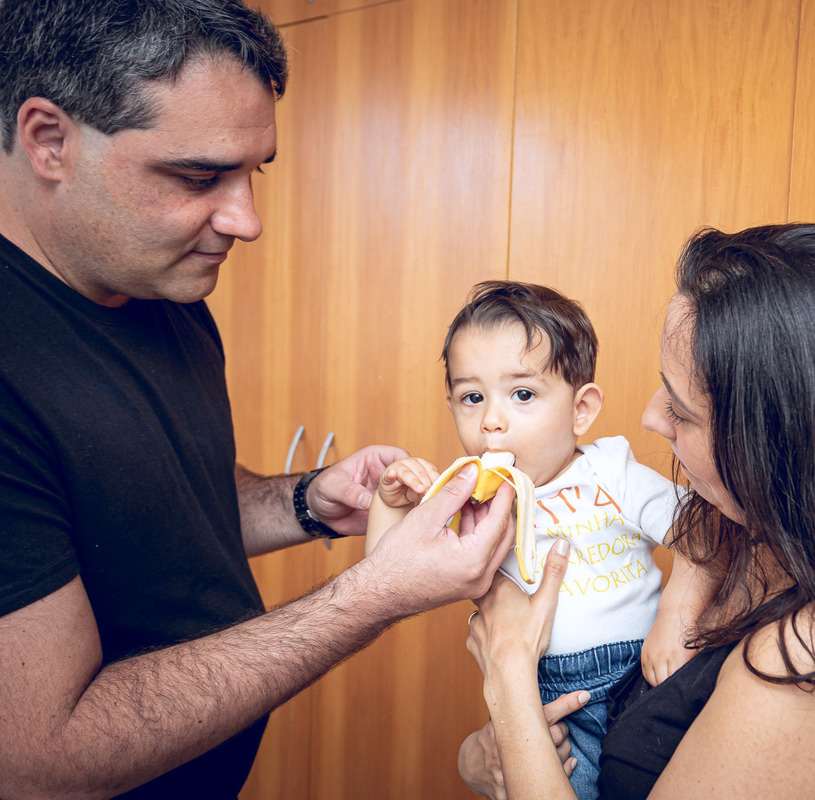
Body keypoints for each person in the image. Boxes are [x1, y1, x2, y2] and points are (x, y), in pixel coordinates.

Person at [0, 2, 516, 798]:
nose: (246, 221)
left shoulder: (166, 292)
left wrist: (308, 501)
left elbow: (154, 503)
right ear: (48, 140)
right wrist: (374, 595)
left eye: (254, 172)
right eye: (201, 176)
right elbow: (43, 758)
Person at [459, 224, 815, 799]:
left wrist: (509, 675)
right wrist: (483, 758)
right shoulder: (747, 543)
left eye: (680, 410)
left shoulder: (804, 665)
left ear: (775, 450)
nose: (652, 418)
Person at [367, 281, 717, 800]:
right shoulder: (470, 498)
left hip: (641, 672)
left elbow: (705, 525)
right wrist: (391, 502)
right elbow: (386, 578)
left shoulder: (611, 471)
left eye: (523, 394)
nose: (491, 420)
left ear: (581, 410)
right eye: (471, 397)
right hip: (550, 697)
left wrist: (676, 617)